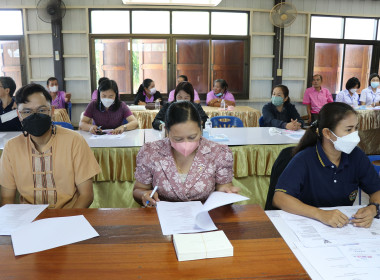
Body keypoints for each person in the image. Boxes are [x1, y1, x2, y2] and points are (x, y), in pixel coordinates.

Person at [273, 102, 380, 228]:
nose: (355, 135)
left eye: (356, 128)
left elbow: (376, 190)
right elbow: (279, 198)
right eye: (348, 130)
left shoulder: (356, 156)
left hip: (343, 228)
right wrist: (320, 214)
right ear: (327, 133)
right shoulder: (305, 159)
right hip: (307, 226)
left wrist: (374, 208)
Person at [0, 83, 101, 208]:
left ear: (52, 111)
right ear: (19, 115)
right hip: (29, 220)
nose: (35, 115)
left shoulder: (75, 141)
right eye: (27, 111)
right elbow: (6, 198)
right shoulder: (11, 148)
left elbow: (86, 195)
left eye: (42, 110)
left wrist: (65, 223)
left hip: (68, 217)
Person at [133, 101, 239, 206]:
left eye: (192, 137)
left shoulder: (218, 153)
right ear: (167, 131)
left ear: (201, 127)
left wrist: (226, 192)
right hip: (162, 217)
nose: (186, 143)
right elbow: (139, 189)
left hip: (205, 217)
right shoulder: (151, 152)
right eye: (178, 139)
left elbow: (223, 187)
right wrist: (144, 194)